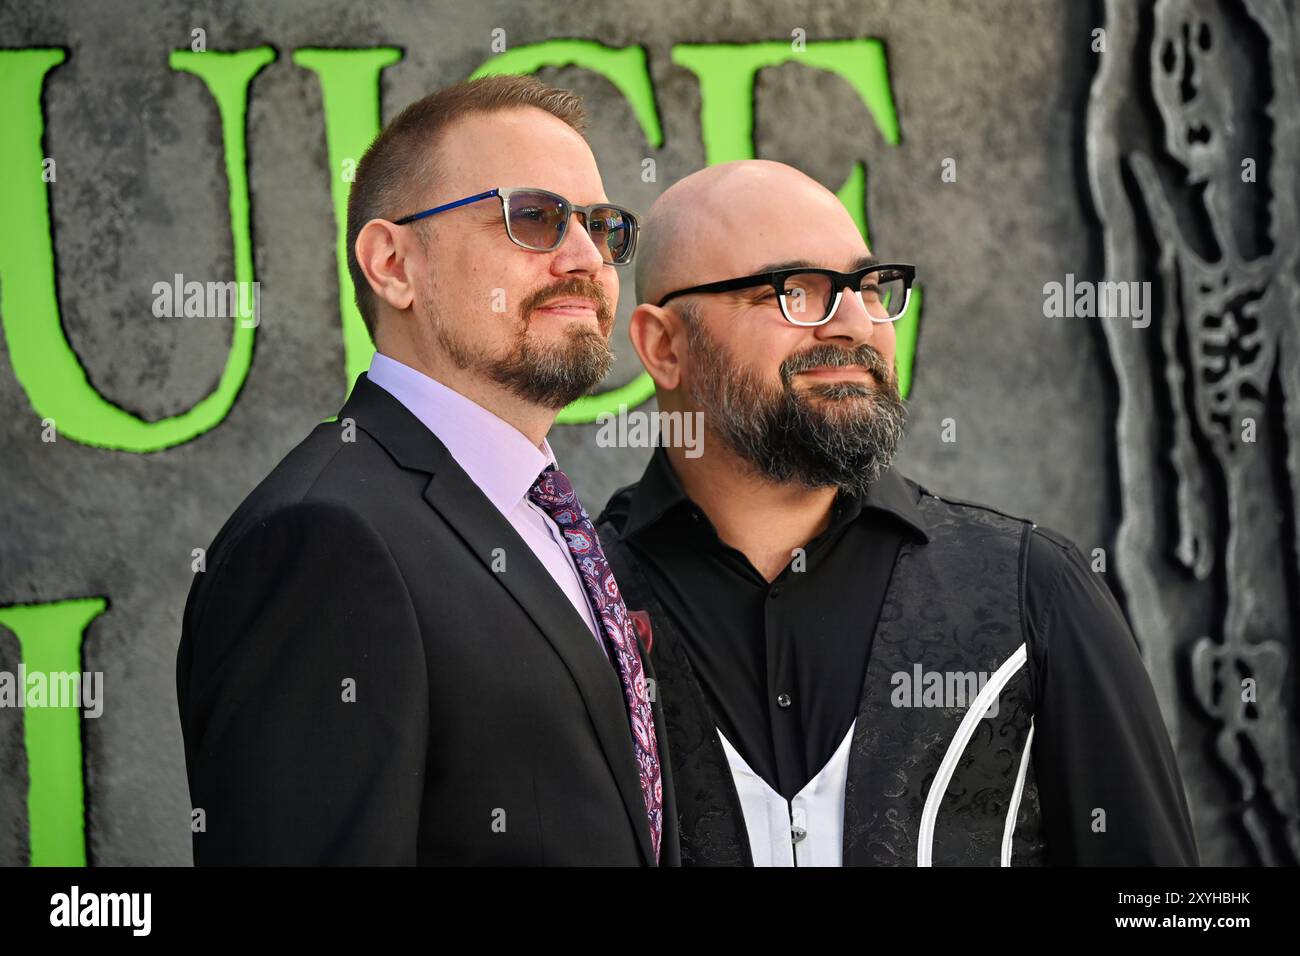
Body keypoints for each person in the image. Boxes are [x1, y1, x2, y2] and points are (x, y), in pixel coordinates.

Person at [594, 159, 1199, 866]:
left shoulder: (1032, 591)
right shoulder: (576, 600)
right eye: (796, 292)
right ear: (664, 346)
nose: (856, 322)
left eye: (868, 288)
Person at [177, 75, 673, 865]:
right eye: (535, 218)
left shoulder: (548, 520)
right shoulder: (323, 539)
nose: (587, 258)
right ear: (393, 264)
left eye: (604, 227)